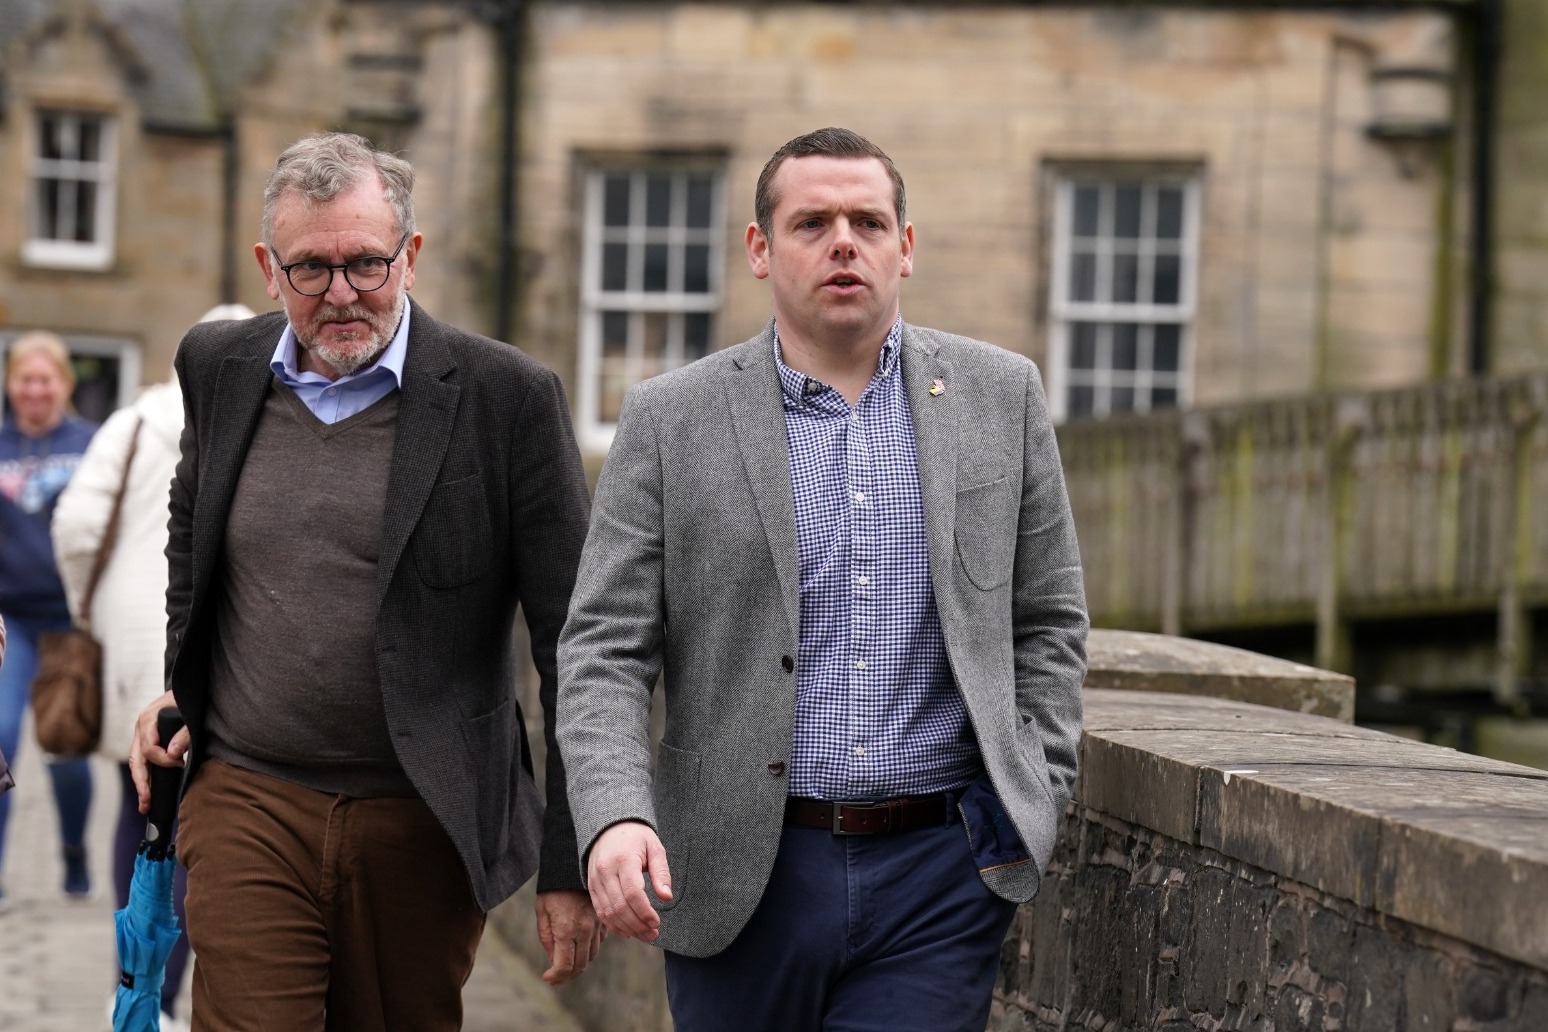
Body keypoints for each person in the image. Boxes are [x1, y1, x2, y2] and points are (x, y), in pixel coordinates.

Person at [557, 127, 1089, 1032]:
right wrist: (614, 815)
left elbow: (1049, 620)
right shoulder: (669, 419)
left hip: (940, 879)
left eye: (868, 222)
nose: (844, 242)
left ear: (904, 247)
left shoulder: (1003, 396)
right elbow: (604, 650)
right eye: (812, 223)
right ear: (760, 249)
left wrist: (1032, 795)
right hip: (735, 874)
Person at [129, 132, 601, 1031]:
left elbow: (575, 642)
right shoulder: (217, 367)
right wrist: (183, 683)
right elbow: (192, 537)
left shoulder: (507, 398)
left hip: (423, 819)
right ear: (269, 269)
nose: (341, 293)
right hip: (250, 798)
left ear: (410, 255)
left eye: (366, 264)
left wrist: (571, 855)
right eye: (311, 268)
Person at [52, 302, 255, 1029]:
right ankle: (166, 999)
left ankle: (135, 989)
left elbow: (76, 526)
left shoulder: (134, 421)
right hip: (214, 642)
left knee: (137, 808)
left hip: (132, 638)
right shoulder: (261, 418)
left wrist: (90, 609)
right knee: (201, 824)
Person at [0, 331, 99, 909]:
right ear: (11, 384)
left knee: (65, 750)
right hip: (8, 621)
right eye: (25, 379)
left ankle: (73, 848)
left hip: (67, 622)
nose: (35, 390)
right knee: (1, 737)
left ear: (63, 384)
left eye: (46, 379)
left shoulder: (91, 444)